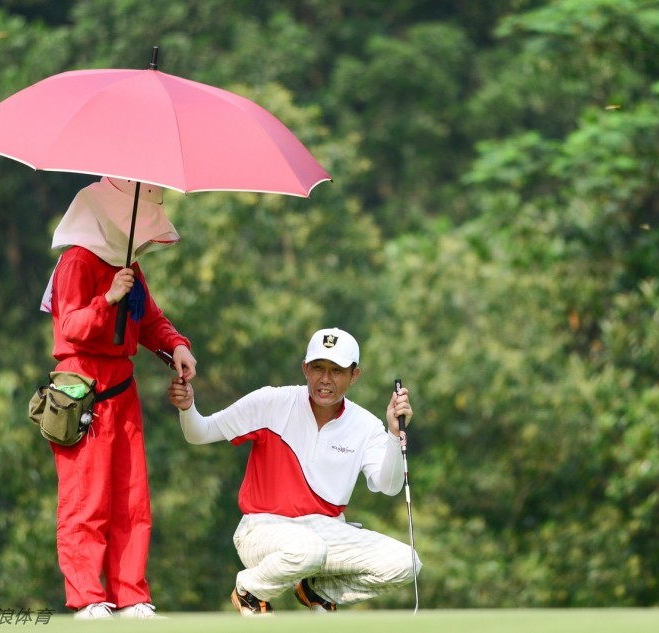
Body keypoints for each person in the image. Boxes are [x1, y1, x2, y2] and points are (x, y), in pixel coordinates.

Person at [167, 327, 421, 615]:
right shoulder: (271, 402)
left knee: (406, 562)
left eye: (336, 370)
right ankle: (250, 590)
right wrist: (187, 409)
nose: (325, 379)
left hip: (327, 532)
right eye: (317, 368)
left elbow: (389, 485)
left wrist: (392, 433)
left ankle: (318, 591)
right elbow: (201, 432)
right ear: (304, 368)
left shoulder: (365, 424)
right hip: (261, 529)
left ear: (354, 375)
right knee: (308, 549)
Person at [41, 176, 197, 620]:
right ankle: (88, 597)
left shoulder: (127, 265)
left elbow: (149, 321)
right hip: (82, 396)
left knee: (131, 500)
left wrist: (176, 347)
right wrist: (108, 298)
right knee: (86, 501)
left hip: (122, 394)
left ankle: (131, 596)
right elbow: (70, 327)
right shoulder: (76, 261)